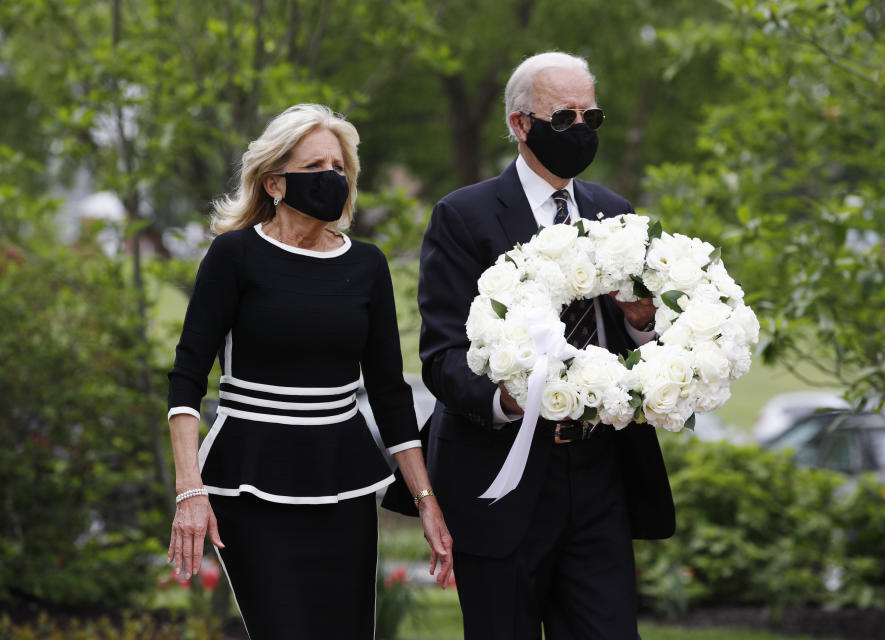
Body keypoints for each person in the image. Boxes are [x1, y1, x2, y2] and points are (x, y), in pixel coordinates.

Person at [394, 52, 675, 639]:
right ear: (521, 124)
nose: (579, 131)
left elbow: (641, 348)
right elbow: (442, 356)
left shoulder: (615, 213)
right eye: (563, 118)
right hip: (501, 478)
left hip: (600, 474)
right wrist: (513, 401)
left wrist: (646, 321)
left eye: (590, 119)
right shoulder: (462, 217)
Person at [165, 103, 453, 640]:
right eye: (316, 167)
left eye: (340, 168)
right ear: (274, 182)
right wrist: (190, 491)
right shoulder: (234, 256)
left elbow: (391, 396)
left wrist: (427, 502)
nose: (332, 179)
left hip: (342, 484)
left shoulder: (367, 265)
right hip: (249, 482)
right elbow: (186, 378)